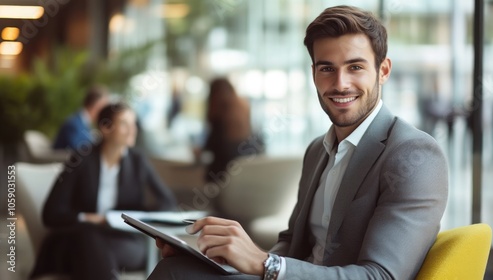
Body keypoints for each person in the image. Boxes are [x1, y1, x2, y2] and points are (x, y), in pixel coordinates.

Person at [149, 5, 449, 279]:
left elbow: (380, 276)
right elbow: (293, 243)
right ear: (314, 73)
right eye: (327, 68)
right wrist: (224, 258)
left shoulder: (414, 154)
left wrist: (266, 264)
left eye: (355, 67)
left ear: (383, 71)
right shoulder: (318, 149)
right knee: (176, 269)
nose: (340, 83)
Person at [32, 102, 178, 280]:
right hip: (80, 238)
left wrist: (137, 219)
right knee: (88, 238)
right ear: (105, 128)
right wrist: (88, 218)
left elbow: (168, 202)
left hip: (124, 241)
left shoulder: (138, 161)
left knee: (92, 250)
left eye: (133, 124)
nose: (133, 130)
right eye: (124, 124)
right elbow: (51, 214)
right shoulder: (81, 158)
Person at [196, 77, 263, 183]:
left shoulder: (218, 115)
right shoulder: (245, 111)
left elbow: (212, 147)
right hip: (249, 181)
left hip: (223, 181)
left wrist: (199, 151)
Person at [52, 85, 109, 151]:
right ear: (96, 106)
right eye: (103, 108)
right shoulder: (74, 124)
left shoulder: (83, 123)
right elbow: (80, 150)